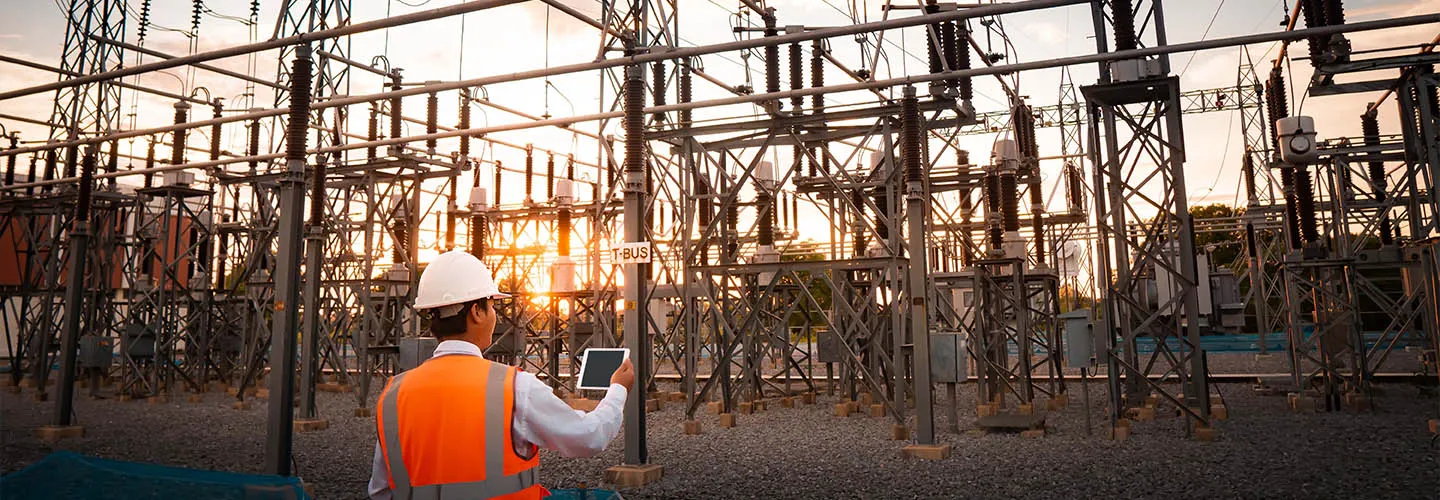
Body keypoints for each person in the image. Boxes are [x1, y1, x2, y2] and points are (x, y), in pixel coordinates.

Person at [368, 250, 634, 500]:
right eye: (492, 305)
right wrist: (618, 389)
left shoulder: (393, 395)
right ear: (476, 312)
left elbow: (380, 491)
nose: (495, 315)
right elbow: (589, 436)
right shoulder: (513, 387)